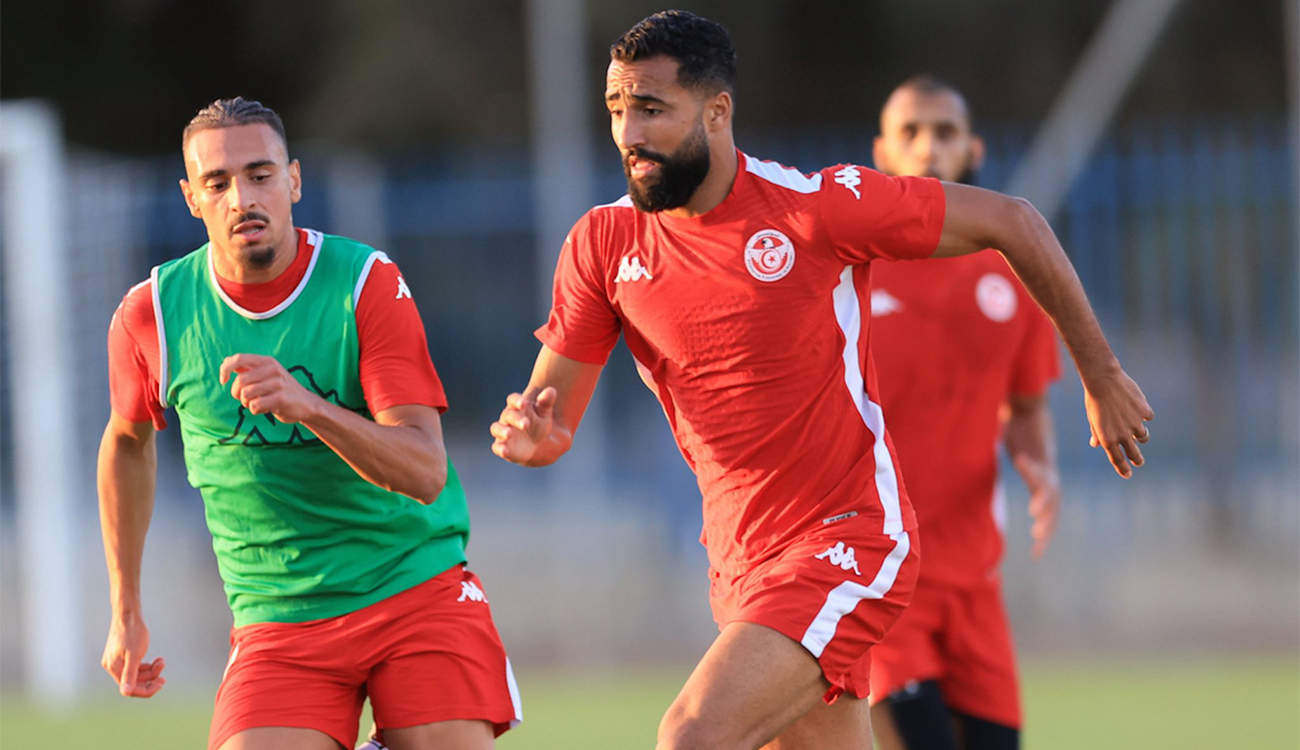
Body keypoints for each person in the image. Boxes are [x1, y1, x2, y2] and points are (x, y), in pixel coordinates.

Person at [489, 11, 1151, 750]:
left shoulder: (812, 209)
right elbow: (553, 415)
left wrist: (1101, 375)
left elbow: (1015, 221)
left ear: (717, 112)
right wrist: (535, 437)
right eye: (616, 110)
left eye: (650, 109)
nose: (628, 134)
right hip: (740, 564)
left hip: (851, 537)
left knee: (692, 736)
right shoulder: (603, 244)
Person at [98, 97, 521, 750]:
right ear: (191, 198)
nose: (243, 198)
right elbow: (127, 445)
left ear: (293, 180)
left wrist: (312, 408)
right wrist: (125, 609)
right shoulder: (151, 313)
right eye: (218, 182)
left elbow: (424, 470)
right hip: (278, 620)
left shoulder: (364, 284)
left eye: (260, 175)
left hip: (413, 590)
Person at [865, 75, 1061, 750]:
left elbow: (1025, 407)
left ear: (973, 149)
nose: (928, 147)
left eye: (944, 132)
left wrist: (1040, 467)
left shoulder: (1014, 275)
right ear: (882, 153)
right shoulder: (850, 272)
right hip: (882, 573)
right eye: (911, 132)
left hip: (975, 578)